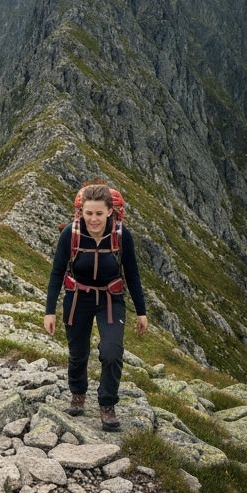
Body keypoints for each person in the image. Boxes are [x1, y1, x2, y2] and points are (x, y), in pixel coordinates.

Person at [43, 182, 147, 431]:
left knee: (112, 352)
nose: (93, 219)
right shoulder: (71, 233)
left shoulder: (122, 236)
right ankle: (78, 394)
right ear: (82, 212)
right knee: (78, 353)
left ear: (110, 211)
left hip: (111, 300)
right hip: (77, 298)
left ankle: (107, 404)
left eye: (99, 213)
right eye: (88, 213)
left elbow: (132, 275)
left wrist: (141, 312)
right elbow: (57, 273)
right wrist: (50, 311)